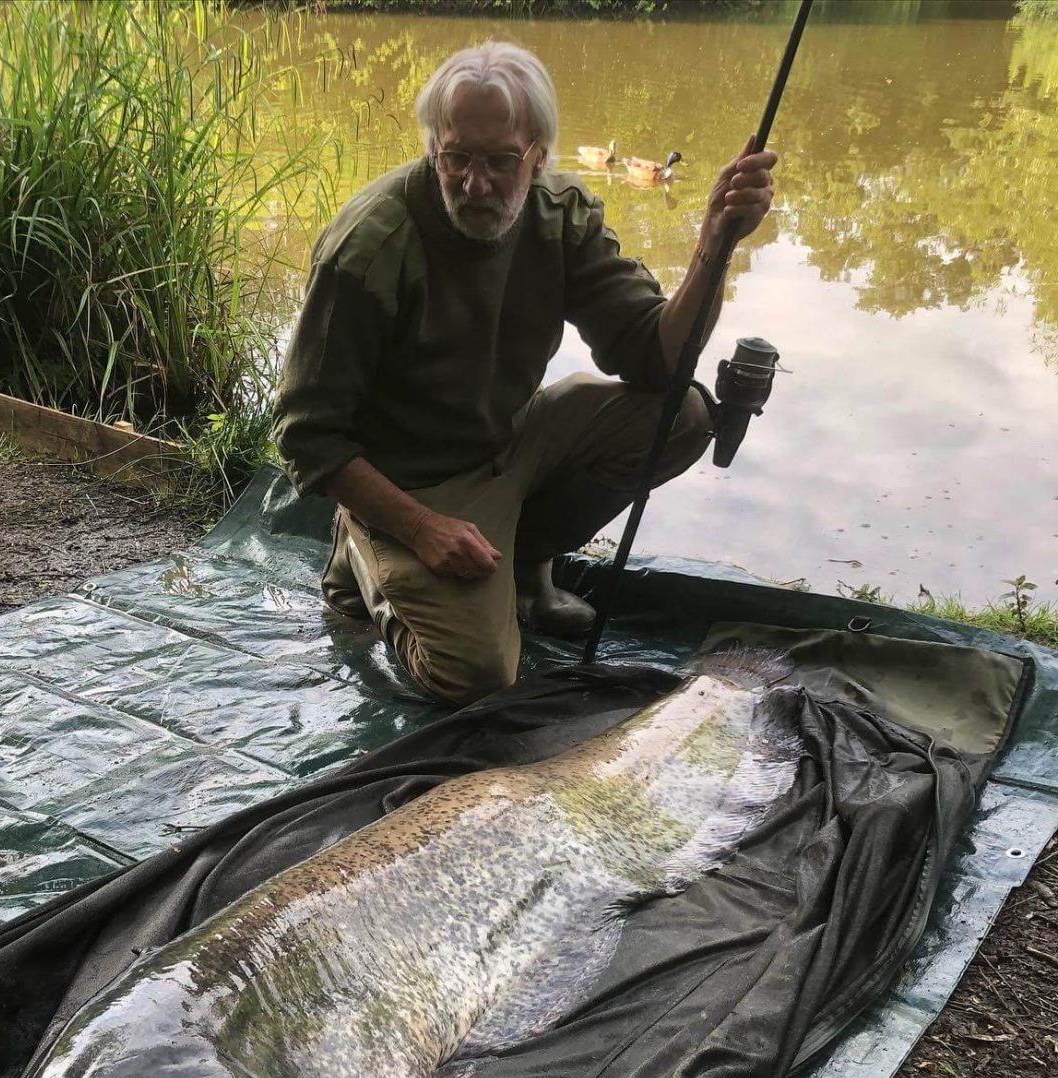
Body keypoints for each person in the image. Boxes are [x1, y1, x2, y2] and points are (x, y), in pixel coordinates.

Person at [274, 40, 777, 704]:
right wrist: (422, 528)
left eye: (502, 161)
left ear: (539, 156)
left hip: (510, 441)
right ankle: (363, 553)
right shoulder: (370, 246)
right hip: (415, 482)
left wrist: (714, 244)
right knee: (474, 678)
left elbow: (655, 358)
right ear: (432, 148)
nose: (475, 184)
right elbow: (304, 435)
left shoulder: (560, 215)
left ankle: (519, 571)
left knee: (680, 415)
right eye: (455, 157)